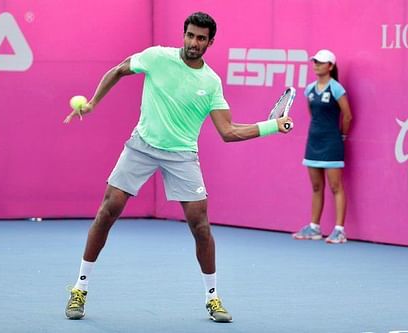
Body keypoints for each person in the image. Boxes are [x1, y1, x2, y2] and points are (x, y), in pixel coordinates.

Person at [63, 12, 292, 322]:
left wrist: (272, 126)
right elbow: (118, 71)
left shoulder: (211, 82)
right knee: (108, 210)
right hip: (142, 145)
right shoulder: (157, 57)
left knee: (200, 225)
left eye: (200, 38)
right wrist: (92, 103)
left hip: (182, 154)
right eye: (190, 35)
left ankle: (212, 297)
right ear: (183, 34)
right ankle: (80, 287)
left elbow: (229, 132)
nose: (193, 42)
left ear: (210, 42)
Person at [292, 49, 352, 244]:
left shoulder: (336, 89)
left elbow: (348, 115)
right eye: (315, 62)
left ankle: (339, 230)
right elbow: (314, 115)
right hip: (313, 143)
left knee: (336, 187)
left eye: (321, 62)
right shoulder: (309, 89)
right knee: (317, 187)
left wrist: (341, 136)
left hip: (332, 143)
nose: (316, 65)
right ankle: (314, 228)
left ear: (331, 66)